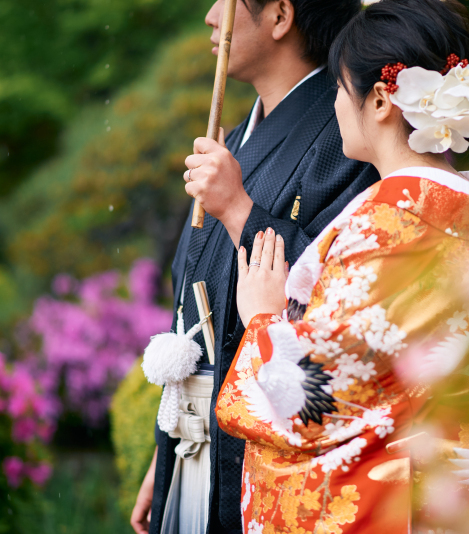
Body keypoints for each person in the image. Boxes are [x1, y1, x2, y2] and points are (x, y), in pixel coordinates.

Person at [215, 0, 469, 532]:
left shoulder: (386, 234)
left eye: (340, 90)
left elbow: (313, 400)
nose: (337, 105)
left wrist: (263, 321)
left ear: (382, 100)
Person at [129, 1, 379, 533]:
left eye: (227, 1)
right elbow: (193, 303)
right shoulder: (239, 135)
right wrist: (168, 445)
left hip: (261, 440)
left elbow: (339, 288)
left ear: (281, 15)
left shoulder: (344, 132)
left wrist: (240, 209)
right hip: (195, 434)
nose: (211, 17)